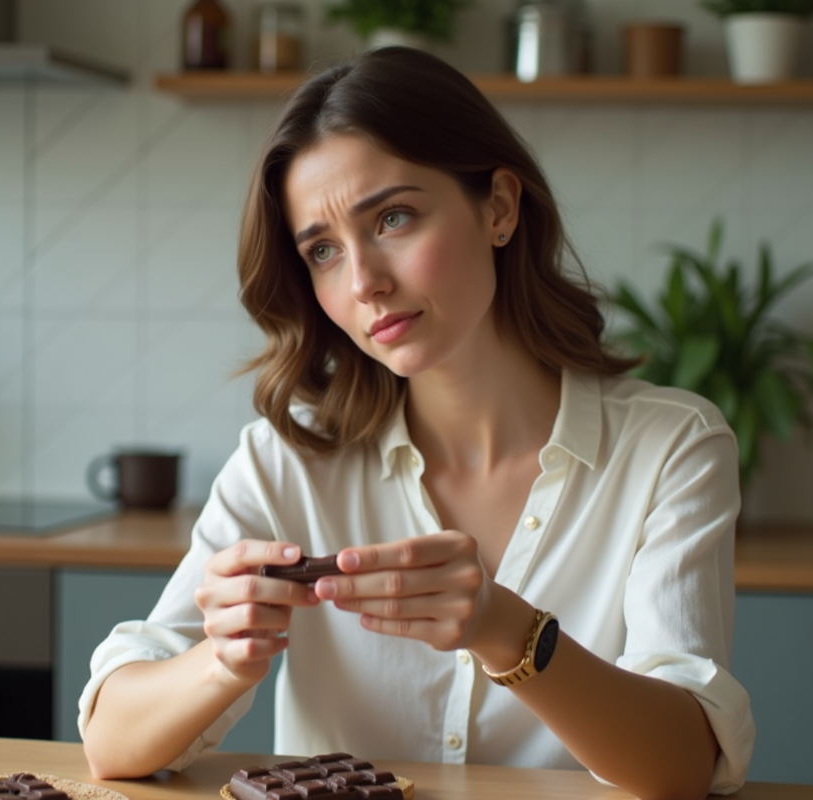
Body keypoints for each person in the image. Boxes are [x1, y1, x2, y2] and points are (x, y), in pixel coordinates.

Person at [80, 46, 754, 800]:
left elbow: (682, 765)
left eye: (393, 218)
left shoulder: (671, 448)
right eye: (323, 251)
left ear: (499, 208)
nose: (364, 282)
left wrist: (504, 629)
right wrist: (221, 661)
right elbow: (110, 744)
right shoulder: (285, 460)